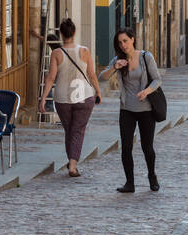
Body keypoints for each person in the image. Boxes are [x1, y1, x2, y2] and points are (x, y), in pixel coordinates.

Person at [98, 29, 161, 193]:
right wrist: (114, 67)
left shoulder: (146, 57)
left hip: (146, 109)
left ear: (132, 39)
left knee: (147, 147)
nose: (123, 45)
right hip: (127, 109)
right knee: (126, 147)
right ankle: (129, 183)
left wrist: (146, 92)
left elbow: (157, 79)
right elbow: (102, 77)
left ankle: (152, 176)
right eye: (120, 42)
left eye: (125, 40)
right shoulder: (118, 60)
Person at [38, 19, 101, 177]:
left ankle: (71, 161)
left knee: (70, 131)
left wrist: (43, 98)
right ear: (74, 33)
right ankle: (72, 165)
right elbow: (92, 75)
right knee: (77, 131)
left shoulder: (56, 53)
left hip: (63, 98)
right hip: (84, 96)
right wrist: (98, 92)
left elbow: (51, 78)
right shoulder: (84, 51)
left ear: (61, 33)